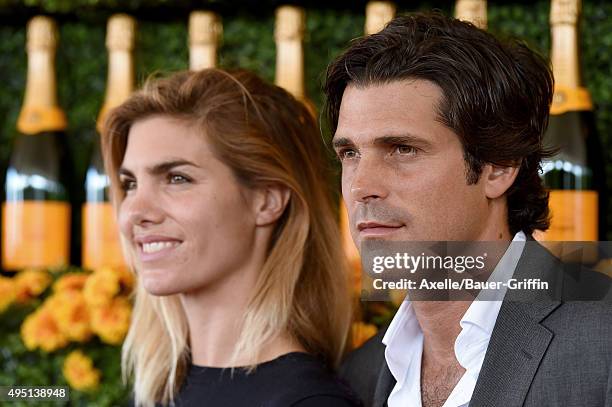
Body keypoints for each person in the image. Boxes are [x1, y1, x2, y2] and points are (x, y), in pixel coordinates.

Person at [323, 12, 612, 407]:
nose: (361, 187)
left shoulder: (603, 343)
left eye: (403, 149)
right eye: (350, 153)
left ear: (499, 166)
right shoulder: (360, 374)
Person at [101, 68, 360, 407]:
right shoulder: (158, 387)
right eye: (130, 184)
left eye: (177, 178)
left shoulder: (309, 401)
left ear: (267, 200)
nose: (135, 212)